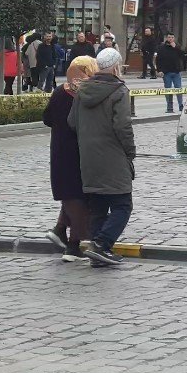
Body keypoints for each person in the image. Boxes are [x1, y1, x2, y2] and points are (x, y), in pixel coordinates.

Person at [67, 48, 136, 267]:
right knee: (122, 204)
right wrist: (130, 151)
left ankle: (98, 255)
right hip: (113, 156)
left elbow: (72, 122)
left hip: (88, 157)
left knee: (98, 206)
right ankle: (101, 244)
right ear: (116, 67)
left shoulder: (82, 90)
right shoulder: (119, 91)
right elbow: (123, 126)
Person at [44, 55, 98, 262]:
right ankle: (74, 246)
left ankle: (59, 230)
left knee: (71, 195)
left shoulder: (60, 91)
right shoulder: (84, 95)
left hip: (59, 151)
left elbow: (47, 118)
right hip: (80, 152)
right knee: (78, 199)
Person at [156, 32, 185, 113]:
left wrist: (176, 48)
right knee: (168, 89)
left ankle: (181, 105)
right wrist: (159, 70)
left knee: (178, 89)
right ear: (166, 38)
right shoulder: (162, 48)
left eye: (172, 37)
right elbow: (158, 60)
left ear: (174, 38)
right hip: (166, 72)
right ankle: (169, 106)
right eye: (169, 37)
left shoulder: (177, 46)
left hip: (176, 72)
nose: (170, 39)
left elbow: (182, 55)